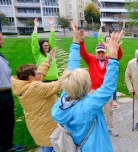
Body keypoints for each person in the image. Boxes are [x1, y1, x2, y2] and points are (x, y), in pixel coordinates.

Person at [51, 22, 122, 151]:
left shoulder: (64, 98)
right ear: (87, 88)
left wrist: (75, 41)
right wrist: (113, 57)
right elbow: (108, 87)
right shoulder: (89, 105)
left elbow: (72, 68)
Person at [11, 48, 67, 151]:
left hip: (37, 126)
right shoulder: (36, 88)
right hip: (47, 127)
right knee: (50, 147)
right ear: (31, 77)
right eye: (37, 74)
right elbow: (58, 85)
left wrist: (48, 61)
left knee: (45, 146)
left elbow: (40, 73)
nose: (40, 74)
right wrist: (67, 72)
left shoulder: (23, 85)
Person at [0, 2, 25, 152]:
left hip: (5, 93)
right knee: (2, 123)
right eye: (0, 39)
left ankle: (9, 145)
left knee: (9, 121)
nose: (3, 40)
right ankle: (3, 148)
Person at [79, 29, 123, 137]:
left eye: (103, 52)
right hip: (93, 90)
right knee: (92, 110)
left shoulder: (110, 59)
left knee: (109, 111)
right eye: (99, 52)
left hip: (106, 90)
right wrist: (81, 41)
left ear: (106, 52)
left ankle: (110, 128)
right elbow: (82, 53)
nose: (101, 54)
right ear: (96, 53)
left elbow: (119, 55)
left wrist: (116, 46)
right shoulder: (91, 59)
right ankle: (92, 128)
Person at [98, 20, 125, 108]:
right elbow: (99, 36)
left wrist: (123, 24)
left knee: (113, 83)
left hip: (114, 67)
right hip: (105, 68)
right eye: (107, 40)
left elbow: (120, 35)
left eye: (110, 39)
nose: (109, 40)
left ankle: (113, 100)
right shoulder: (104, 51)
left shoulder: (115, 47)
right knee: (104, 83)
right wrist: (101, 26)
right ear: (105, 42)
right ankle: (104, 98)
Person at [31, 17, 58, 82]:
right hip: (44, 80)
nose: (47, 47)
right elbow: (34, 42)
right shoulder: (38, 54)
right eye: (45, 46)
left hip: (55, 79)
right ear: (40, 46)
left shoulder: (51, 53)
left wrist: (51, 25)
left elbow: (52, 39)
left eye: (48, 45)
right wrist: (36, 27)